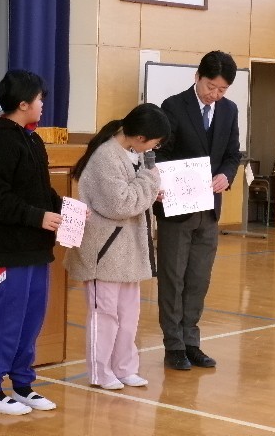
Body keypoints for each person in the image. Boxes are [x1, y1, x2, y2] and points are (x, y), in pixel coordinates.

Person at [0, 69, 63, 415]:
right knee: (3, 318)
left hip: (34, 246)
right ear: (23, 104)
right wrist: (37, 217)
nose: (42, 105)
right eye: (39, 99)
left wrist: (66, 210)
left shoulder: (32, 140)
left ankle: (22, 384)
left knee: (30, 319)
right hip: (4, 247)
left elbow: (40, 191)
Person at [64, 103, 170, 390]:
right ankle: (100, 372)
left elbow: (135, 195)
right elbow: (120, 204)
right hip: (104, 252)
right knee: (105, 315)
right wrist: (150, 182)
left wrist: (149, 192)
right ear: (140, 137)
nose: (154, 149)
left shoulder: (133, 154)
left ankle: (124, 368)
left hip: (128, 251)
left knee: (128, 315)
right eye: (155, 143)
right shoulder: (105, 157)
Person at [154, 51, 241, 370]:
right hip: (177, 207)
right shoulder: (174, 106)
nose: (214, 94)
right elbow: (159, 154)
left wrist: (226, 176)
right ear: (197, 77)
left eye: (222, 90)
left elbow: (232, 154)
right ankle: (173, 345)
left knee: (198, 279)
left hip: (209, 209)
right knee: (173, 278)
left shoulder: (229, 110)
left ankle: (191, 341)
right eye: (210, 87)